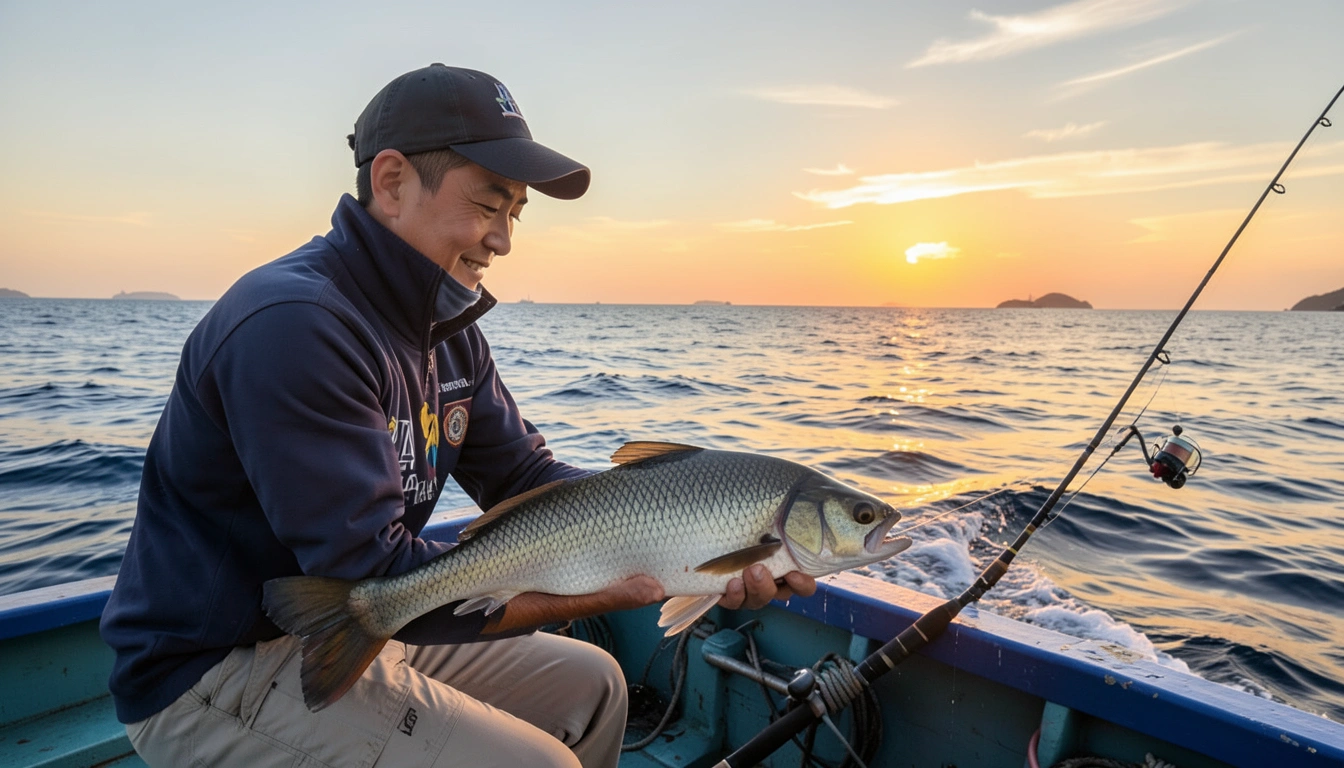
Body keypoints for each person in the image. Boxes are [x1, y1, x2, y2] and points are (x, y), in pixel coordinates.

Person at [99, 63, 816, 768]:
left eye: (514, 213)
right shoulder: (295, 324)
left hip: (370, 617)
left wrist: (679, 525)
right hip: (214, 667)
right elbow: (374, 579)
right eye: (487, 203)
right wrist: (615, 586)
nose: (503, 239)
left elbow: (525, 474)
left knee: (597, 687)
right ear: (392, 182)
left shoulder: (448, 330)